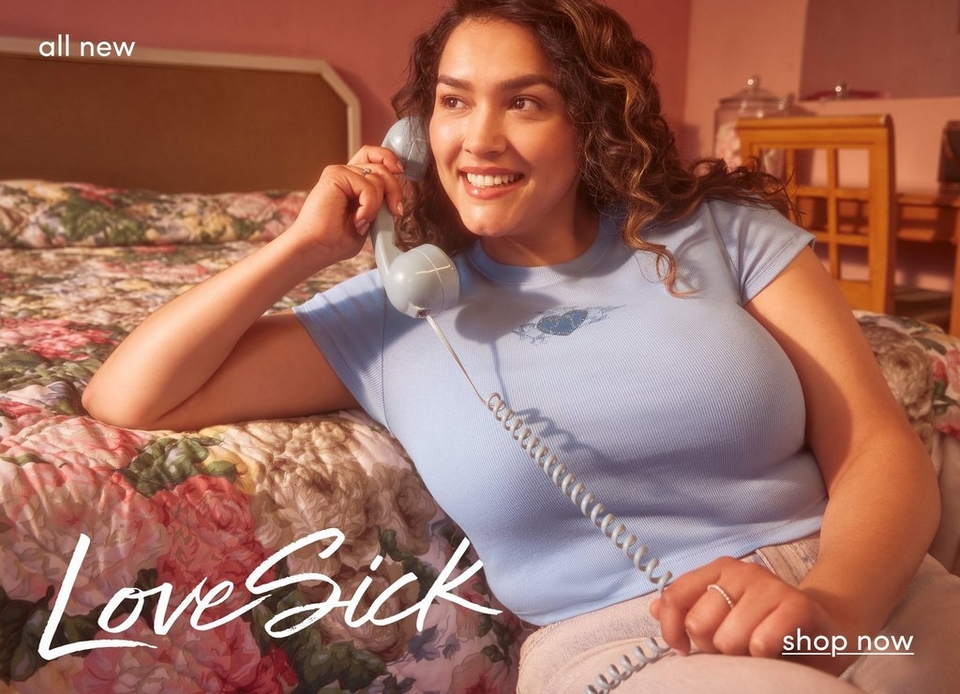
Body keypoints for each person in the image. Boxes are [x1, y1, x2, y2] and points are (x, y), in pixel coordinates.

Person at [83, 0, 960, 691]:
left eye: (526, 102)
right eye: (454, 102)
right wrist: (300, 250)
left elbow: (877, 443)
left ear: (590, 122)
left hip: (863, 585)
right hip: (638, 641)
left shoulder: (718, 231)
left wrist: (830, 606)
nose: (481, 139)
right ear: (417, 135)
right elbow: (128, 396)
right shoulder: (400, 311)